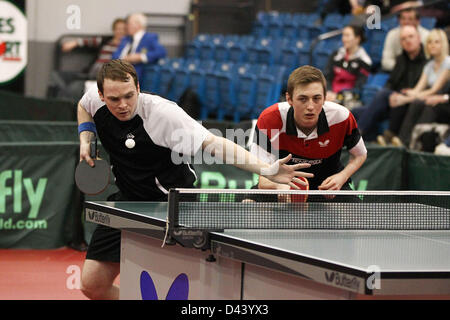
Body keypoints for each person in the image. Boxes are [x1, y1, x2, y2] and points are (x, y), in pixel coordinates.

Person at [77, 59, 313, 300]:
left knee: (192, 287)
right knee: (92, 284)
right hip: (127, 204)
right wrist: (86, 138)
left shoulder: (163, 114)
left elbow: (215, 144)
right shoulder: (95, 102)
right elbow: (83, 106)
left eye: (129, 96)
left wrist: (267, 170)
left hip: (172, 205)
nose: (123, 105)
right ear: (101, 95)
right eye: (114, 99)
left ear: (138, 87)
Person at [250, 65, 367, 195]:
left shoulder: (342, 117)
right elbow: (263, 179)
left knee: (353, 214)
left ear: (324, 97)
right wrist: (281, 188)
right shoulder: (268, 119)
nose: (310, 106)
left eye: (316, 98)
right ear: (289, 99)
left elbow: (360, 155)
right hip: (283, 184)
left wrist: (342, 177)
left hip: (328, 187)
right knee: (248, 205)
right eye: (303, 99)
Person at [353, 25, 428, 143]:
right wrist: (392, 96)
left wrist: (400, 96)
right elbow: (391, 83)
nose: (407, 41)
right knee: (355, 111)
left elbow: (424, 89)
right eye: (403, 39)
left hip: (410, 102)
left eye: (411, 37)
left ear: (418, 38)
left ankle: (357, 135)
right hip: (394, 100)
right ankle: (368, 143)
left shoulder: (427, 61)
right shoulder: (400, 59)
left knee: (382, 94)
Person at [393, 29, 450, 146]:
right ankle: (402, 140)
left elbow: (434, 89)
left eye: (436, 42)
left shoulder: (448, 63)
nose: (432, 45)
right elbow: (418, 88)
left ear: (443, 44)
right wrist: (407, 94)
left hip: (441, 101)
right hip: (430, 98)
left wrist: (406, 99)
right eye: (430, 42)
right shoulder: (429, 65)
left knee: (419, 103)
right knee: (414, 102)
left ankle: (413, 142)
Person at [47, 18, 127, 102]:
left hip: (101, 77)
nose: (120, 31)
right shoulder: (106, 40)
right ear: (114, 30)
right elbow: (90, 41)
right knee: (56, 76)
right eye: (118, 29)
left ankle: (63, 103)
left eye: (123, 29)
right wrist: (74, 43)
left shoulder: (126, 46)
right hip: (89, 73)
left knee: (74, 87)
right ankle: (56, 101)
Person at [112, 13, 166, 85]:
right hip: (118, 73)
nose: (126, 26)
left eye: (129, 23)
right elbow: (115, 56)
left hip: (138, 76)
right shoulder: (125, 39)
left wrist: (140, 57)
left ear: (138, 24)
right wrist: (123, 59)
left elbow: (161, 52)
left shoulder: (150, 38)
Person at [324, 25, 372, 104]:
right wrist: (329, 91)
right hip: (330, 94)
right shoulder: (336, 55)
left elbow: (359, 87)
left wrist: (338, 96)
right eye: (343, 35)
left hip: (348, 98)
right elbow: (327, 76)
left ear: (357, 39)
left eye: (347, 36)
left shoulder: (365, 61)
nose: (343, 39)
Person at [381, 7, 430, 72]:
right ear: (398, 20)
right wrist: (405, 68)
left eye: (410, 19)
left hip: (420, 72)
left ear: (418, 21)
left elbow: (430, 62)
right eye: (403, 18)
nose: (406, 22)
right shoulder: (392, 34)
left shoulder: (427, 35)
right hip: (396, 71)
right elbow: (386, 62)